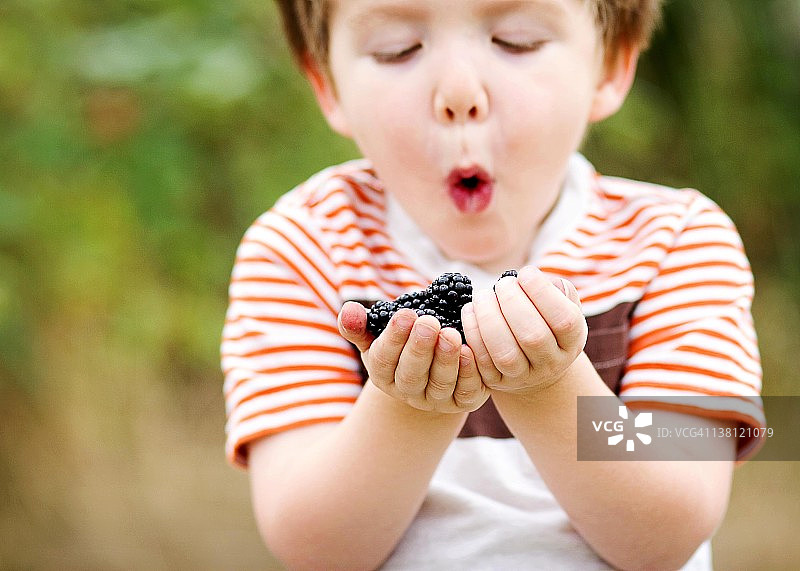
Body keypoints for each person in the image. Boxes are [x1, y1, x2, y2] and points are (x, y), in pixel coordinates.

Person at [221, 1, 764, 568]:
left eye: (517, 40)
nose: (459, 91)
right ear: (327, 84)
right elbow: (316, 546)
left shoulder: (674, 243)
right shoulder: (305, 249)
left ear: (610, 67)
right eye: (397, 49)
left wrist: (547, 389)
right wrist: (412, 406)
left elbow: (665, 534)